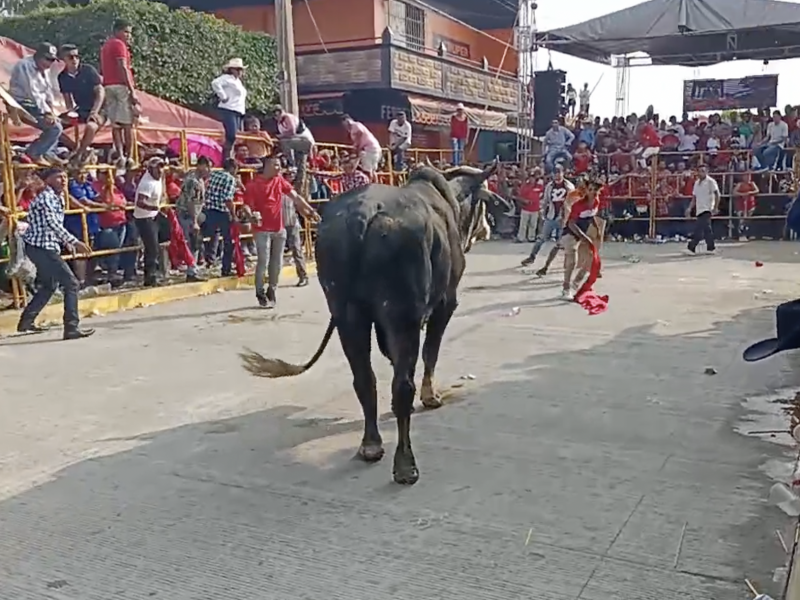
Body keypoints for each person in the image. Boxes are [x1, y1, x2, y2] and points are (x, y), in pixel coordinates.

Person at [17, 166, 93, 339]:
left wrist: (67, 243)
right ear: (48, 180)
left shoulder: (57, 197)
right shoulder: (46, 198)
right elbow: (53, 224)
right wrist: (74, 241)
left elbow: (54, 227)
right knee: (71, 283)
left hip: (47, 246)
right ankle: (71, 327)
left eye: (65, 177)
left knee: (50, 285)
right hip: (40, 247)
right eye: (59, 177)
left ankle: (26, 322)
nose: (64, 180)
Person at [242, 156, 319, 308]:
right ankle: (260, 292)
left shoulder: (279, 180)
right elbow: (246, 206)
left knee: (276, 263)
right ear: (266, 165)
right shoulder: (253, 185)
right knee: (263, 261)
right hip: (262, 229)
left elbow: (296, 197)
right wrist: (251, 216)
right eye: (276, 165)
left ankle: (272, 289)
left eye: (279, 165)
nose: (279, 168)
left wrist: (310, 211)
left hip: (279, 228)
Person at [9, 43, 63, 166]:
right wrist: (47, 113)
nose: (50, 63)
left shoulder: (46, 70)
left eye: (53, 60)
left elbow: (48, 92)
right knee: (55, 128)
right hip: (22, 104)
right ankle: (34, 153)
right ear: (38, 56)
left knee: (58, 123)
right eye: (48, 59)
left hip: (37, 105)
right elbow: (33, 93)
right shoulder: (24, 65)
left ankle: (48, 153)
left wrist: (52, 112)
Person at [57, 44, 106, 166]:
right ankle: (80, 149)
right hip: (81, 109)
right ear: (63, 59)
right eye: (71, 57)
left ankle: (79, 155)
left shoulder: (88, 70)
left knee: (91, 127)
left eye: (77, 56)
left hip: (100, 107)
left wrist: (95, 111)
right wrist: (70, 113)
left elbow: (100, 92)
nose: (75, 60)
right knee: (53, 125)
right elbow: (67, 99)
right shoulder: (62, 77)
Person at [100, 18, 139, 168]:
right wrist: (132, 90)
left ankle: (120, 155)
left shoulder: (106, 46)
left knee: (116, 125)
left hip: (108, 86)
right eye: (126, 31)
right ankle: (129, 157)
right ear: (117, 31)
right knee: (128, 124)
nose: (128, 35)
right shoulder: (119, 45)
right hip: (121, 86)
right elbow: (123, 67)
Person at [521, 166, 574, 271]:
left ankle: (563, 263)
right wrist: (543, 211)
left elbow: (572, 202)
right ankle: (532, 256)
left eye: (559, 173)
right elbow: (545, 200)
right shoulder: (550, 186)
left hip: (564, 218)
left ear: (563, 173)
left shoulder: (569, 187)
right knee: (541, 238)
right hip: (551, 216)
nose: (557, 175)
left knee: (561, 243)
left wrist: (569, 217)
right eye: (555, 173)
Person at [560, 179, 599, 299]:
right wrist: (584, 237)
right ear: (587, 191)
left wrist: (597, 229)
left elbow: (591, 216)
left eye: (595, 190)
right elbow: (571, 223)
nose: (593, 192)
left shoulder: (596, 202)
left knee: (591, 260)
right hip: (571, 233)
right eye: (591, 190)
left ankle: (575, 284)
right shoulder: (578, 204)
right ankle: (566, 289)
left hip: (583, 233)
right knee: (572, 261)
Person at [202, 158, 239, 277]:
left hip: (208, 210)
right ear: (233, 168)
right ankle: (226, 268)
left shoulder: (214, 174)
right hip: (222, 212)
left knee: (212, 236)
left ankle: (209, 261)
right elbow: (228, 199)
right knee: (229, 241)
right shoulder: (230, 179)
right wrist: (233, 216)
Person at [133, 157, 166, 286]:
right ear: (151, 168)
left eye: (161, 167)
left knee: (159, 244)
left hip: (154, 215)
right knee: (151, 248)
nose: (160, 170)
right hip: (144, 218)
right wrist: (153, 207)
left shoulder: (157, 180)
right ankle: (149, 277)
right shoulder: (147, 183)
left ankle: (156, 271)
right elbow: (140, 202)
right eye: (158, 167)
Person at [211, 58, 247, 159]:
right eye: (237, 69)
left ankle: (229, 156)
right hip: (228, 109)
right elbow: (215, 83)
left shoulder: (238, 81)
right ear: (231, 70)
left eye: (241, 69)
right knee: (231, 135)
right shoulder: (226, 78)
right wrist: (223, 96)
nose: (240, 72)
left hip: (237, 111)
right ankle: (226, 157)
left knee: (234, 136)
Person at [273, 105, 315, 192]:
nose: (278, 116)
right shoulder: (279, 123)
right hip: (296, 144)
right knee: (301, 168)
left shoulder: (288, 117)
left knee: (284, 142)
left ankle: (291, 163)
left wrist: (280, 136)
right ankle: (298, 189)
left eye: (279, 113)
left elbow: (292, 131)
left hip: (304, 140)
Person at [685, 164, 719, 254]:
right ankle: (710, 248)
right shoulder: (696, 183)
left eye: (703, 171)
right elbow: (694, 197)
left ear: (707, 172)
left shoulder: (711, 182)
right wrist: (689, 208)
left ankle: (692, 247)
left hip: (707, 208)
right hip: (699, 208)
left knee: (701, 228)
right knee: (705, 229)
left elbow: (717, 194)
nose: (701, 173)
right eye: (699, 171)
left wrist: (715, 207)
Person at [515, 171, 544, 243]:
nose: (532, 179)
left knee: (533, 225)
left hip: (535, 208)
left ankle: (531, 237)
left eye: (533, 178)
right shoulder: (525, 187)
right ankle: (521, 238)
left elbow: (543, 194)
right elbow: (519, 196)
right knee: (523, 224)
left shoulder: (539, 186)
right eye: (531, 177)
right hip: (526, 208)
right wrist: (524, 201)